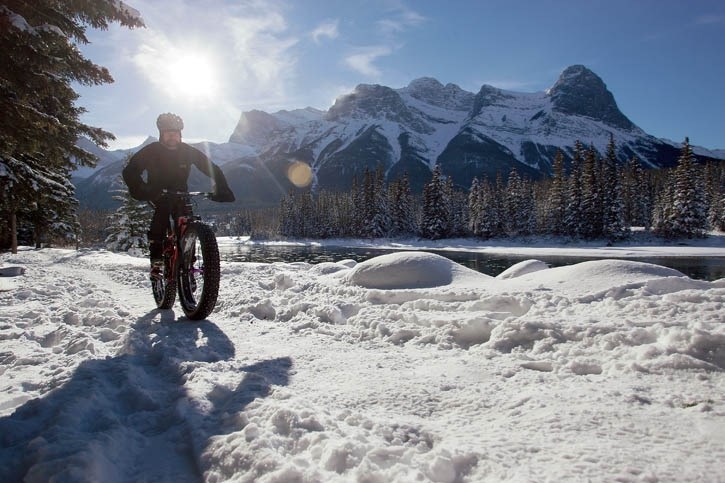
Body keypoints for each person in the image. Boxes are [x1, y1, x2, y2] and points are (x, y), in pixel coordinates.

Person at [122, 112, 235, 278]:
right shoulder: (151, 151)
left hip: (181, 193)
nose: (172, 136)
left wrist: (222, 188)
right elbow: (130, 172)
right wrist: (143, 189)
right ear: (161, 134)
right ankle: (157, 263)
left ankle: (188, 260)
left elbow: (211, 168)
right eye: (168, 132)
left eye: (175, 132)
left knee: (188, 220)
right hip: (158, 193)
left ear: (180, 134)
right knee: (161, 216)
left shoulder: (187, 151)